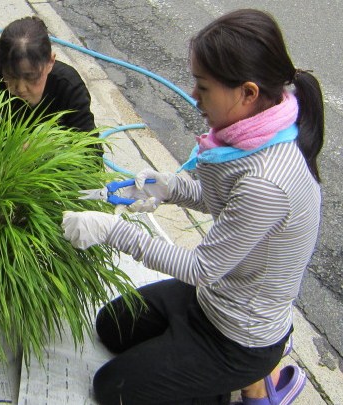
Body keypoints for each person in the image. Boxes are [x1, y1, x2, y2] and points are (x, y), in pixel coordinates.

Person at [62, 9, 323, 405]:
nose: (195, 96)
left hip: (238, 335)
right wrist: (165, 188)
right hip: (212, 300)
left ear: (247, 92)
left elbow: (201, 268)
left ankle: (247, 381)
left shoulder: (268, 182)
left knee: (112, 389)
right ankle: (192, 364)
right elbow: (220, 200)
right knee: (110, 326)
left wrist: (112, 230)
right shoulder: (255, 134)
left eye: (203, 87)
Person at [0, 16, 98, 141]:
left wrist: (44, 146)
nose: (20, 89)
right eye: (11, 77)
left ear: (50, 62)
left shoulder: (68, 85)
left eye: (31, 77)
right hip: (9, 153)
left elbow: (92, 153)